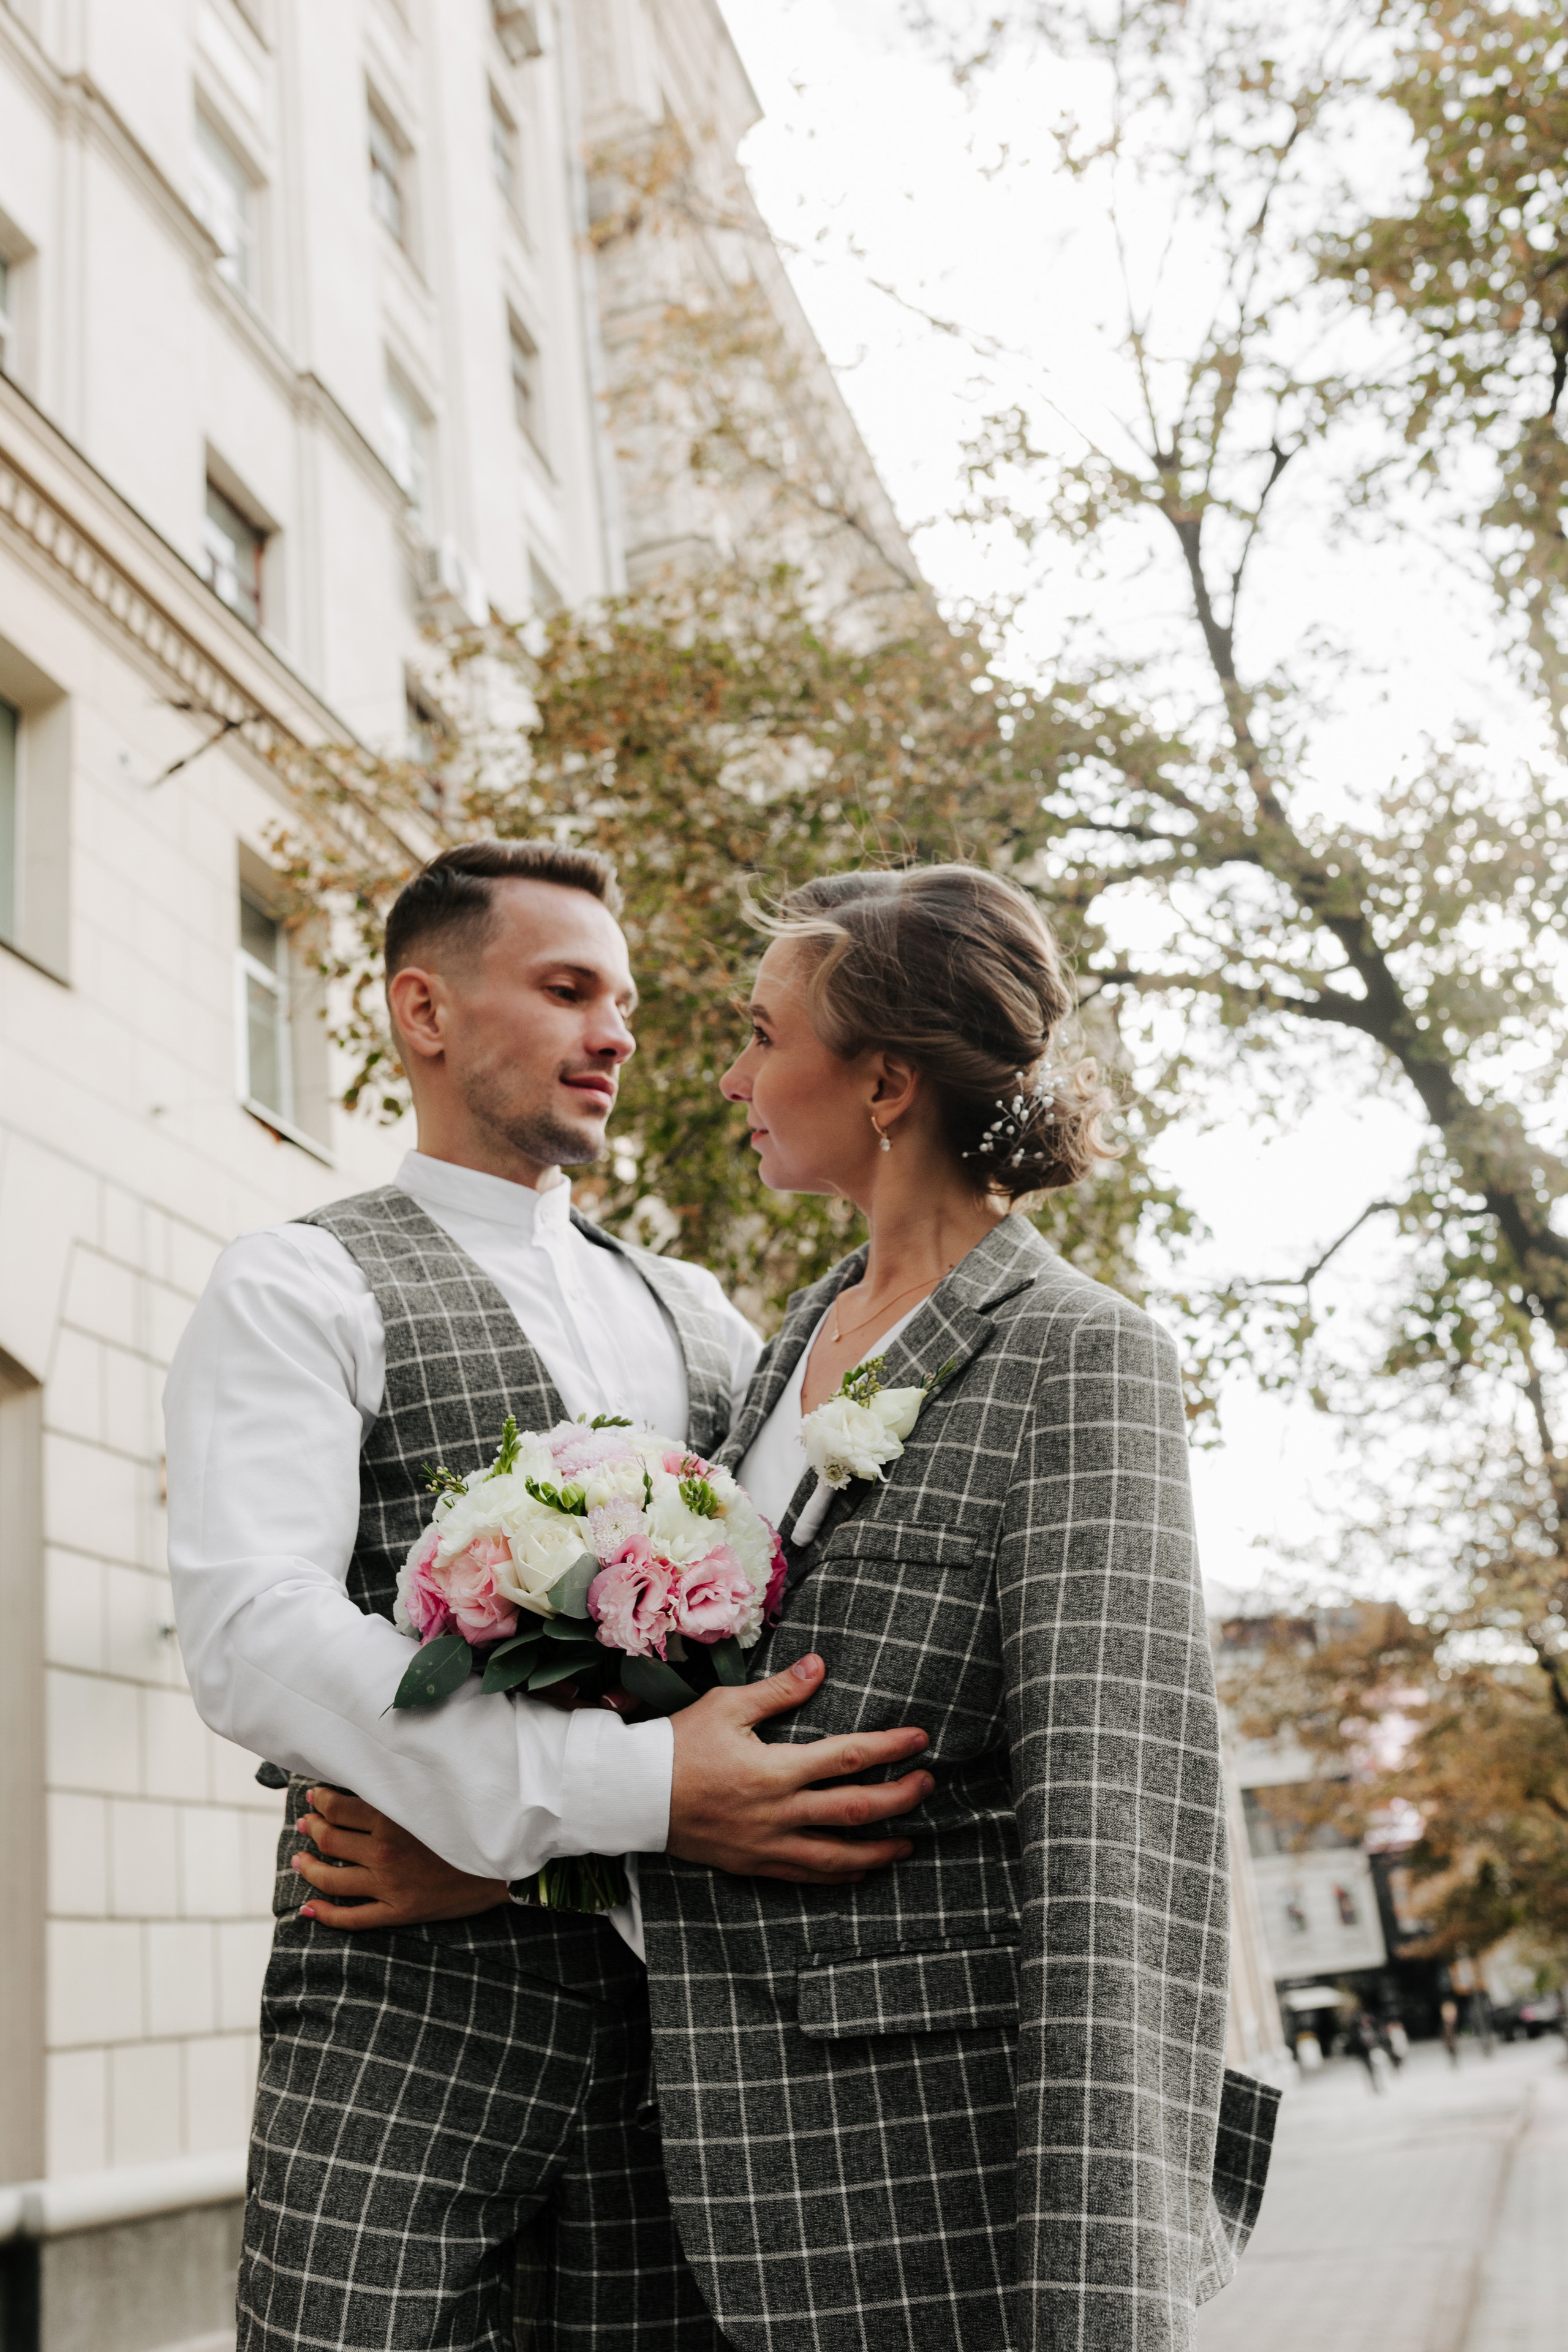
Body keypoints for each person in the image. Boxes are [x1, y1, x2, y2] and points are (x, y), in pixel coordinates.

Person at [319, 862, 1280, 2348]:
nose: (726, 1073)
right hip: (712, 2202)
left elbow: (1121, 1853)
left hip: (948, 2208)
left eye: (763, 1034)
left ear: (884, 1080)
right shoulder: (785, 1349)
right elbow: (746, 1787)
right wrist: (525, 1873)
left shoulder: (1080, 1357)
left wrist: (1102, 2297)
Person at [165, 841, 937, 2352]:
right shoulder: (295, 1284)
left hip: (694, 2071)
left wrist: (557, 1859)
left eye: (628, 1002)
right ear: (424, 1013)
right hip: (400, 2043)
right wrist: (626, 1784)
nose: (618, 1034)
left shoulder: (703, 1320)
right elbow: (256, 1638)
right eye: (568, 987)